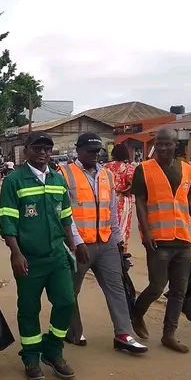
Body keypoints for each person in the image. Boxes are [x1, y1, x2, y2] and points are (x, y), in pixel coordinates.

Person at [130, 128, 191, 353]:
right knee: (157, 286)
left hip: (182, 239)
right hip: (158, 240)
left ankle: (169, 334)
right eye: (159, 144)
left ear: (175, 145)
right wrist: (146, 233)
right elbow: (139, 202)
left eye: (167, 144)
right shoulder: (144, 169)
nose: (162, 148)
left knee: (179, 290)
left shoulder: (187, 169)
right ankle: (136, 313)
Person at [0, 131, 77, 380]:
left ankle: (53, 350)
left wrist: (73, 244)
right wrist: (16, 253)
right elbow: (7, 220)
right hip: (29, 258)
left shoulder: (57, 179)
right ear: (26, 150)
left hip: (57, 255)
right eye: (37, 148)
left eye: (47, 148)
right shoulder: (14, 181)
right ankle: (31, 357)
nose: (43, 152)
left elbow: (66, 216)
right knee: (29, 308)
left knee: (66, 302)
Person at [60, 133, 148, 354]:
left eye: (97, 151)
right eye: (90, 151)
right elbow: (63, 213)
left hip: (106, 242)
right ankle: (73, 330)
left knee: (116, 287)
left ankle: (123, 334)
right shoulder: (64, 174)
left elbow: (112, 212)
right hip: (79, 246)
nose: (95, 155)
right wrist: (76, 242)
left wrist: (119, 244)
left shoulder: (107, 175)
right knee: (70, 290)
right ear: (78, 150)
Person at [104, 145, 136, 262]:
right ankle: (121, 254)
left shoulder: (106, 167)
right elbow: (134, 184)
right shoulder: (128, 168)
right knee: (122, 227)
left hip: (106, 199)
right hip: (122, 201)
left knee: (108, 226)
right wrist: (125, 190)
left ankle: (107, 253)